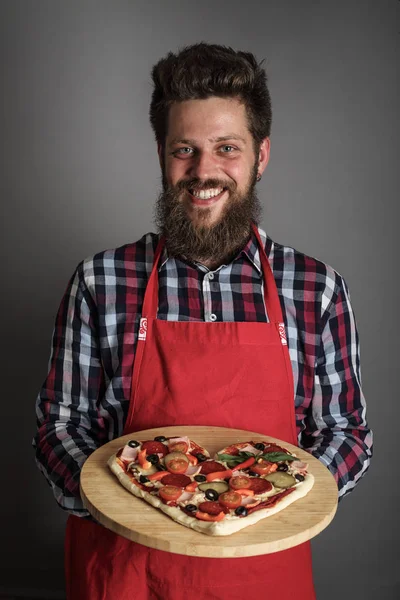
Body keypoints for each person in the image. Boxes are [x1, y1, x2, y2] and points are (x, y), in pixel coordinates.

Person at [33, 43, 373, 600]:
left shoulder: (317, 291)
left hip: (263, 574)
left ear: (261, 155)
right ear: (161, 153)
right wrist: (133, 501)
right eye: (184, 149)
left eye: (227, 148)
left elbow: (346, 434)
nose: (204, 170)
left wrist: (264, 498)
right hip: (125, 573)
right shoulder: (101, 281)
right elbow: (58, 426)